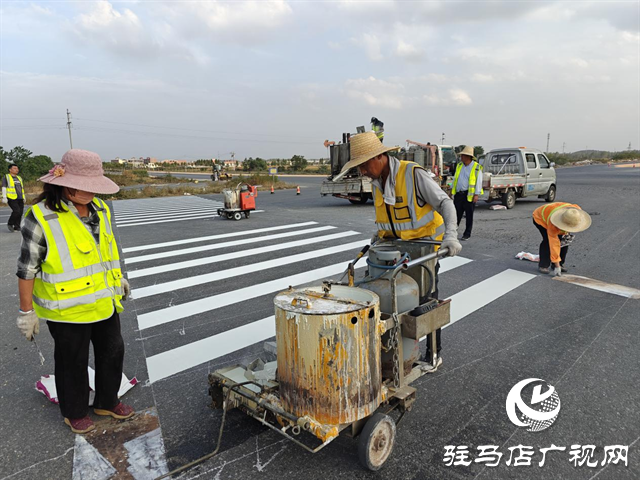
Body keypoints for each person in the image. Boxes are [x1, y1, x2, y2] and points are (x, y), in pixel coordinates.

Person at [16, 149, 133, 434]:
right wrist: (26, 312)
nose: (90, 192)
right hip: (66, 308)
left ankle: (107, 401)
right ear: (62, 182)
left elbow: (107, 251)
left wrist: (120, 279)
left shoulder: (101, 210)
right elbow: (27, 268)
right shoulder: (41, 216)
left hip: (104, 300)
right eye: (83, 186)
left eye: (94, 186)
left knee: (113, 350)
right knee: (72, 361)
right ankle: (75, 411)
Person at [333, 131, 462, 372]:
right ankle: (394, 353)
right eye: (358, 167)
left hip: (423, 247)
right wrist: (378, 237)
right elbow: (390, 218)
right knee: (387, 300)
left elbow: (445, 203)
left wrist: (451, 236)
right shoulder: (376, 182)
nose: (362, 171)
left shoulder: (412, 173)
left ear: (380, 156)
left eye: (364, 165)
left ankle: (433, 355)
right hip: (393, 247)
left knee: (424, 302)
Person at [532, 202, 591, 275]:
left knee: (564, 241)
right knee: (548, 242)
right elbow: (554, 244)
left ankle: (560, 263)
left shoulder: (575, 213)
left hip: (558, 213)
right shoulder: (553, 224)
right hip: (540, 218)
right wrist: (557, 266)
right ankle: (543, 265)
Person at [451, 146, 483, 241]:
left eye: (463, 156)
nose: (461, 157)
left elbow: (478, 182)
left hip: (469, 195)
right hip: (459, 194)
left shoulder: (476, 167)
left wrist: (476, 194)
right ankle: (453, 233)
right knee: (456, 215)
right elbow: (455, 179)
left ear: (468, 157)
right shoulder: (460, 166)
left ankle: (467, 234)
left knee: (469, 216)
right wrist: (451, 190)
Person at [2, 163, 25, 232]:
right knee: (16, 211)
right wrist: (4, 197)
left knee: (20, 212)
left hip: (20, 197)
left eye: (17, 168)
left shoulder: (19, 178)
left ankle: (17, 226)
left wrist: (24, 197)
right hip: (11, 197)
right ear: (10, 170)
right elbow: (4, 187)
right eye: (14, 168)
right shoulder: (6, 177)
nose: (17, 170)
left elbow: (22, 188)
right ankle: (10, 224)